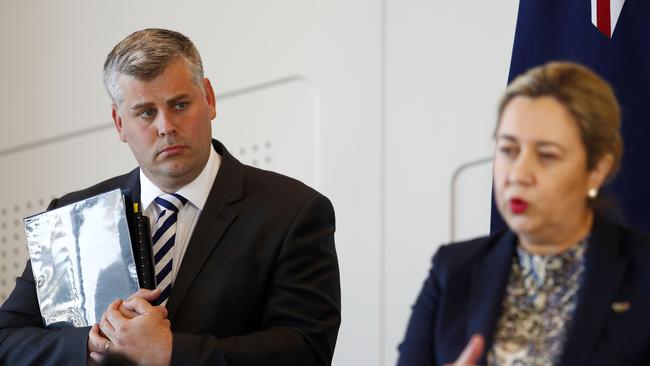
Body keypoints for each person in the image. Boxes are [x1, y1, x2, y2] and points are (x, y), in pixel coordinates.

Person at [0, 28, 341, 366]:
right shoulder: (72, 216)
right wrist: (92, 344)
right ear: (120, 123)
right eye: (146, 112)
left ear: (208, 99)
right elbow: (7, 338)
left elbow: (306, 349)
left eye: (179, 104)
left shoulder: (293, 211)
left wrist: (169, 353)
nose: (166, 126)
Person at [397, 61, 650, 366]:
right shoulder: (452, 270)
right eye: (508, 150)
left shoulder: (642, 274)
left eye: (546, 155)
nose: (518, 174)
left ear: (597, 169)